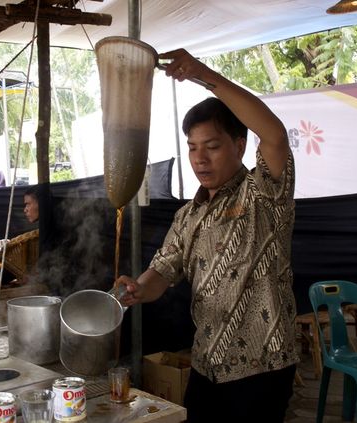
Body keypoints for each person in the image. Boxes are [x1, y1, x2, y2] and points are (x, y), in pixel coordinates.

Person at [116, 49, 297, 422]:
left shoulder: (263, 193)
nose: (199, 159)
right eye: (192, 148)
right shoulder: (188, 214)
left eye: (212, 147)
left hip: (262, 366)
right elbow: (163, 272)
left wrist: (202, 73)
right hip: (207, 362)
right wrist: (137, 289)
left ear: (240, 145)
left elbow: (275, 134)